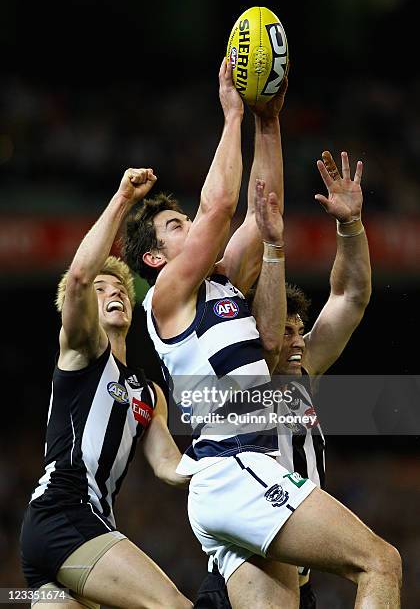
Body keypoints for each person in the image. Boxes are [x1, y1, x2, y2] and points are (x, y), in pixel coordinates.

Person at [122, 59, 401, 608]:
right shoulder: (168, 295)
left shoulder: (224, 282)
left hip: (242, 477)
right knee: (380, 561)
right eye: (177, 226)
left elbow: (261, 207)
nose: (193, 227)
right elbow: (221, 205)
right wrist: (232, 115)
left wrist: (268, 123)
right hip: (234, 462)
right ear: (154, 257)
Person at [195, 150, 372, 608]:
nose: (297, 342)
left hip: (300, 582)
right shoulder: (235, 386)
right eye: (285, 330)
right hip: (246, 574)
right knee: (378, 562)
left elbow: (350, 296)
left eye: (302, 331)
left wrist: (350, 226)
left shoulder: (302, 374)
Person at [20, 168, 193, 609]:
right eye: (101, 288)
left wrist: (228, 458)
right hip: (64, 514)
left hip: (72, 534)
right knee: (173, 606)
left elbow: (170, 467)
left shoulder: (148, 392)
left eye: (119, 286)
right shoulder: (81, 351)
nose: (113, 291)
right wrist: (121, 199)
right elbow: (78, 277)